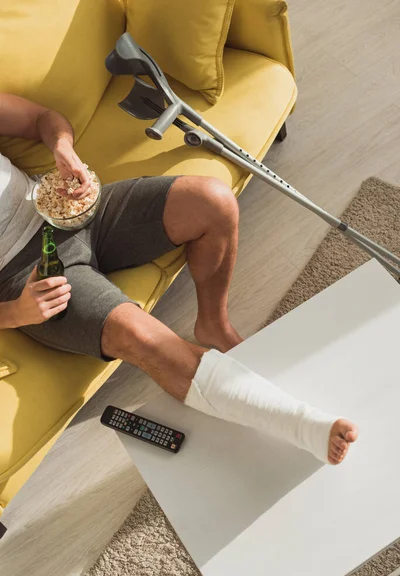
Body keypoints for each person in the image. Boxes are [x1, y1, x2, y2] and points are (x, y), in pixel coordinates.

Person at [0, 93, 358, 465]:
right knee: (143, 338)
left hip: (67, 207)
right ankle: (304, 427)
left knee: (212, 201)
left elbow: (43, 117)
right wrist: (15, 312)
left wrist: (64, 150)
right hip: (27, 273)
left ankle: (214, 326)